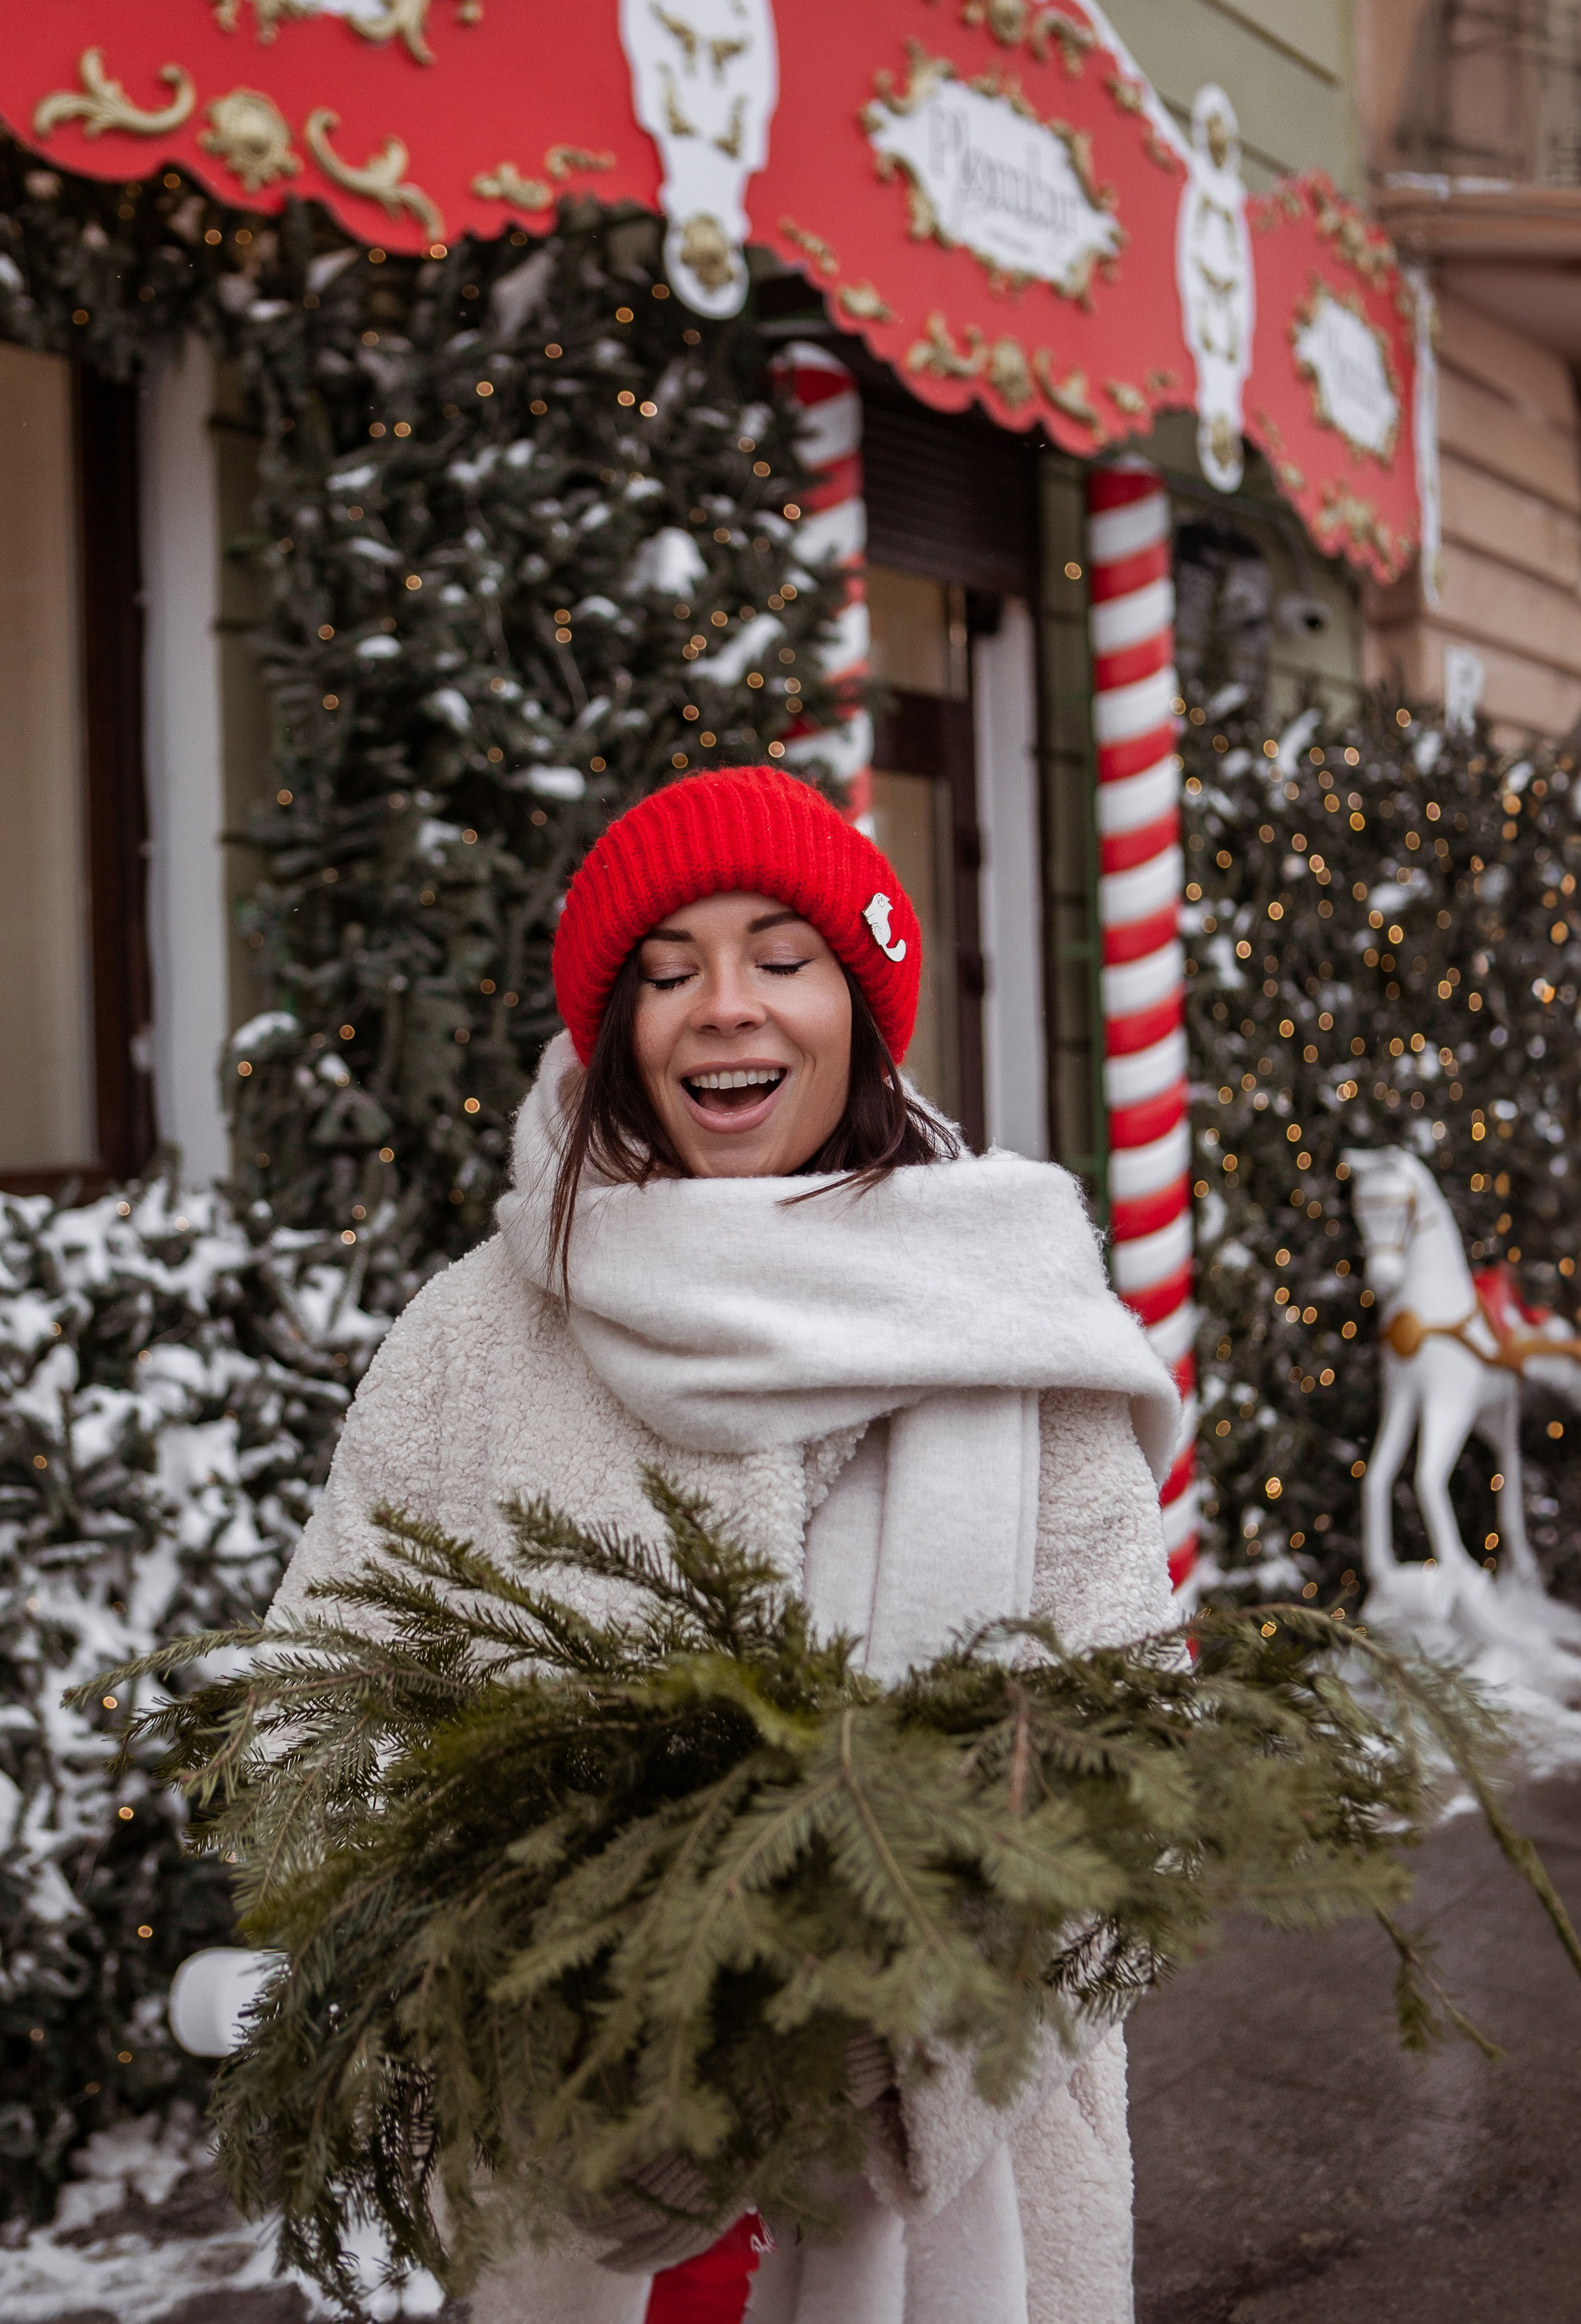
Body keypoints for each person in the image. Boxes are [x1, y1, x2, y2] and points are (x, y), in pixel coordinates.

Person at [273, 765, 1180, 2324]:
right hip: (579, 2209)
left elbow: (1136, 1777)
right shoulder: (482, 1332)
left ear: (859, 1002)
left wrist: (896, 2012)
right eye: (670, 970)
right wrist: (539, 2023)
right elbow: (308, 1715)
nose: (725, 1010)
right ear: (616, 1025)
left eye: (780, 957)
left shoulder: (1007, 1318)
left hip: (953, 2211)